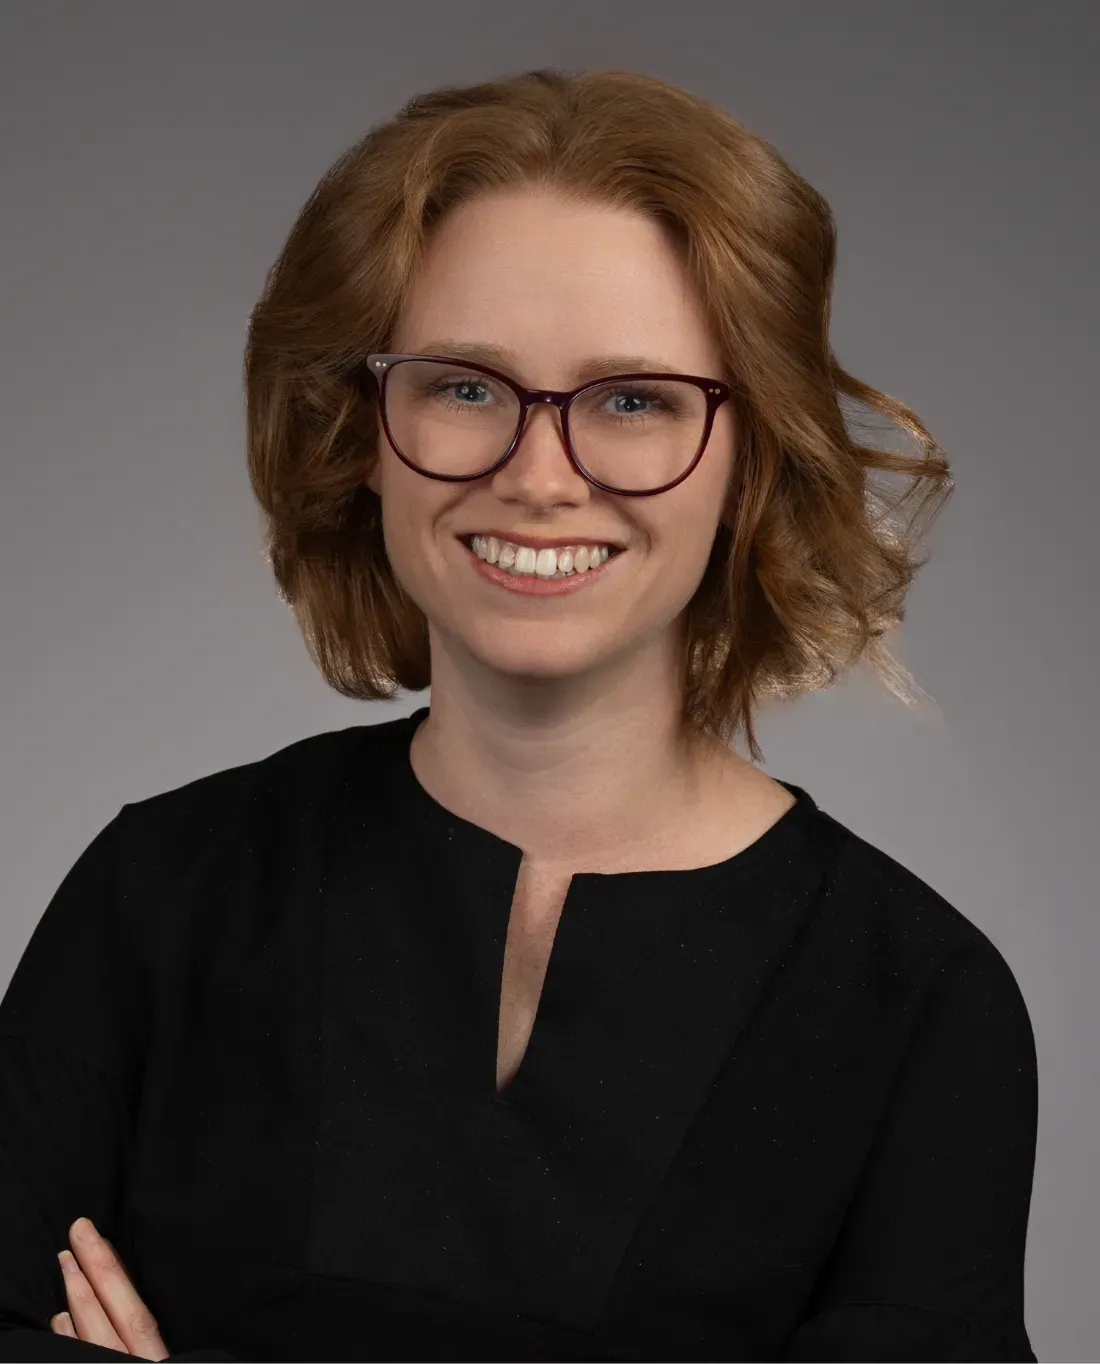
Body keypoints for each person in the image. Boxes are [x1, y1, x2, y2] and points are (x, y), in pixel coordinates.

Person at [0, 66, 1038, 1363]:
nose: (540, 478)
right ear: (361, 431)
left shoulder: (922, 1008)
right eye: (465, 386)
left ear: (753, 458)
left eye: (634, 400)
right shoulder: (159, 893)